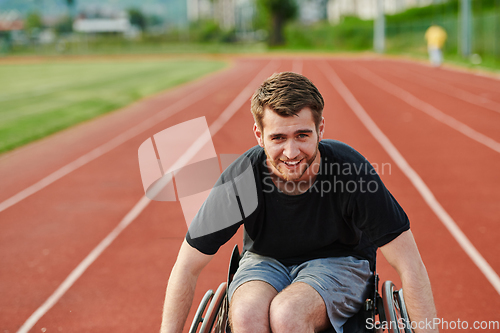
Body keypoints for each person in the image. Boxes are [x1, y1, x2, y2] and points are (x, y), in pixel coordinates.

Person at [160, 72, 438, 333]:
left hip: (340, 261)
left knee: (288, 313)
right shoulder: (242, 178)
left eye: (302, 135)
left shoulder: (351, 172)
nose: (291, 153)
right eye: (278, 138)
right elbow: (187, 265)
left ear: (320, 129)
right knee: (244, 314)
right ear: (259, 136)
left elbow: (409, 264)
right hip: (264, 261)